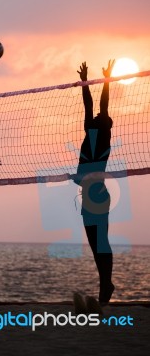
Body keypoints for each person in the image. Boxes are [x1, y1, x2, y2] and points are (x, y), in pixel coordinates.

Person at [75, 60, 115, 303]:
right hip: (90, 193)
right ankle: (105, 283)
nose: (100, 114)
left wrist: (106, 80)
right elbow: (89, 106)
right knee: (95, 244)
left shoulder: (102, 137)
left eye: (103, 116)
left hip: (96, 194)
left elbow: (100, 105)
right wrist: (85, 81)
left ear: (105, 124)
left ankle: (106, 284)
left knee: (100, 242)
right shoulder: (92, 131)